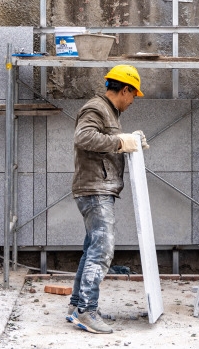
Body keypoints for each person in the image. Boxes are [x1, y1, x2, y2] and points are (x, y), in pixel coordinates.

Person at [67, 65, 150, 334]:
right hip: (94, 189)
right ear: (124, 89)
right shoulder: (96, 108)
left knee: (92, 248)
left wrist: (130, 139)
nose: (133, 100)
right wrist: (119, 141)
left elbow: (108, 138)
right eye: (133, 95)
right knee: (102, 250)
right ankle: (86, 311)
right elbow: (83, 137)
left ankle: (77, 306)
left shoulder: (108, 111)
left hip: (97, 188)